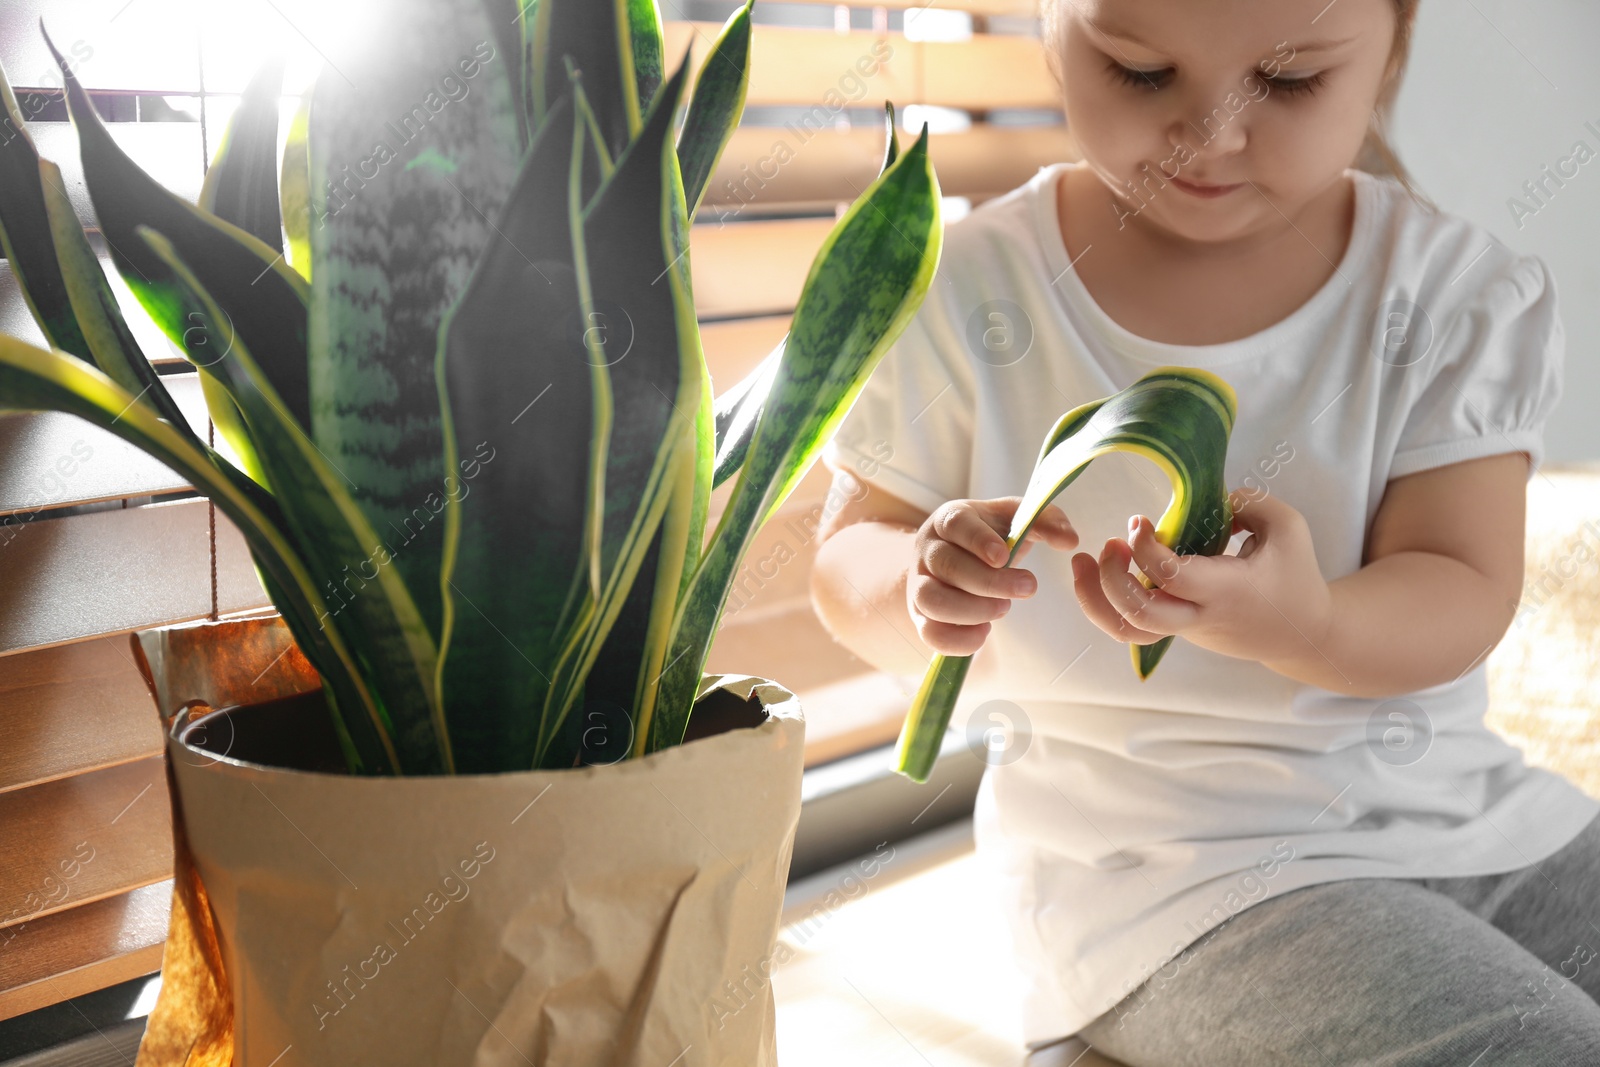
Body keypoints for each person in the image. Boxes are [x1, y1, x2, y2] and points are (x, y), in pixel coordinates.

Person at [808, 0, 1600, 1062]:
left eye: (1285, 84)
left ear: (1391, 49)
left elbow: (1459, 582)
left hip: (1478, 815)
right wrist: (913, 580)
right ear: (1051, 28)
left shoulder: (1450, 293)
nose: (1210, 134)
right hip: (1166, 879)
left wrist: (1308, 621)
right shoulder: (963, 290)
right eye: (1139, 71)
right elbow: (844, 557)